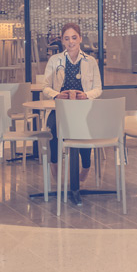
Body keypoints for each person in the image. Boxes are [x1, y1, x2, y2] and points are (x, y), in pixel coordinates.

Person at [42, 23, 102, 182]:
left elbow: (98, 89)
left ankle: (86, 165)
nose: (71, 42)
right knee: (53, 128)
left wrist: (86, 95)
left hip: (83, 109)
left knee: (84, 132)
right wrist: (57, 95)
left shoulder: (90, 62)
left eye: (74, 38)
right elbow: (45, 87)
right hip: (60, 108)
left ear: (80, 39)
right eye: (67, 38)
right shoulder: (55, 60)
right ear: (62, 41)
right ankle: (54, 162)